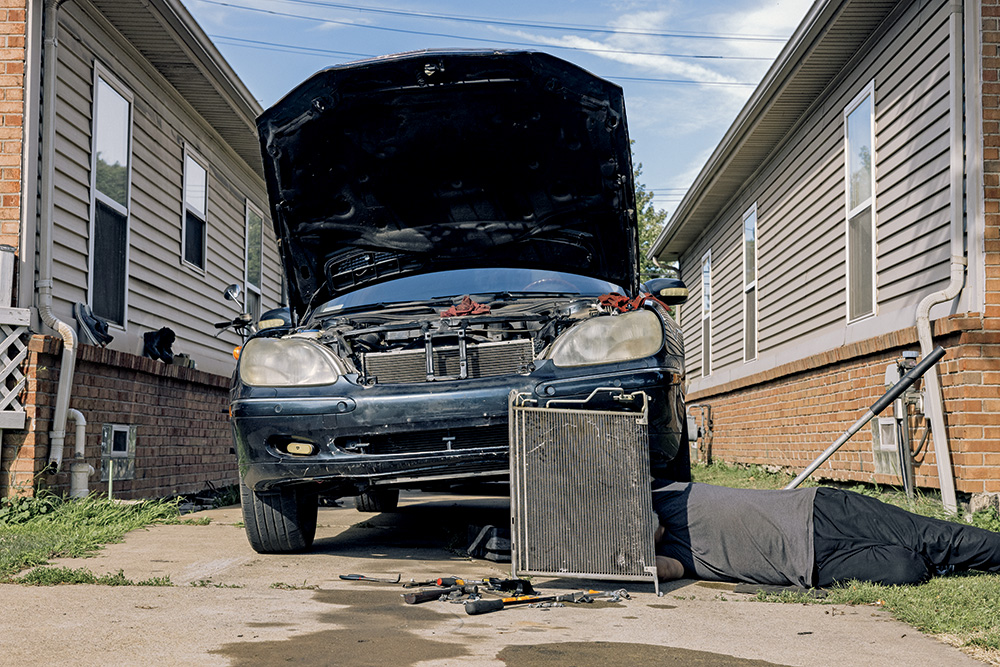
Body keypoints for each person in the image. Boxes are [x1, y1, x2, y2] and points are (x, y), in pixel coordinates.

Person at [652, 481, 1000, 587]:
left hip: (822, 511)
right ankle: (946, 564)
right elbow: (663, 569)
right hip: (814, 566)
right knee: (906, 569)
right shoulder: (677, 559)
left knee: (932, 538)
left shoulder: (663, 496)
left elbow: (652, 523)